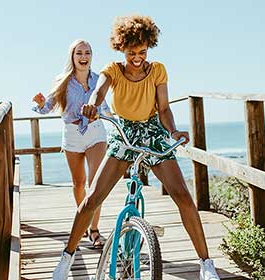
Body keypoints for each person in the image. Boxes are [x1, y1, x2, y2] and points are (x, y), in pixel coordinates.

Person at [52, 15, 220, 280]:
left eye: (142, 51)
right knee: (92, 198)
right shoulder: (113, 70)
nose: (137, 57)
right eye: (132, 52)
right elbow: (99, 92)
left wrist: (173, 131)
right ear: (122, 48)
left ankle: (206, 265)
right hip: (124, 132)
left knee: (183, 196)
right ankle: (67, 257)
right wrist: (93, 107)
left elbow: (163, 109)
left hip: (152, 130)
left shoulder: (157, 70)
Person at [31, 39, 111, 249]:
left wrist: (120, 120)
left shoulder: (99, 79)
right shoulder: (63, 81)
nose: (84, 57)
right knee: (79, 184)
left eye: (87, 52)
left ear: (91, 56)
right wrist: (40, 104)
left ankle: (94, 230)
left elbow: (106, 108)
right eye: (79, 53)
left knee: (96, 184)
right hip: (72, 135)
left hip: (96, 133)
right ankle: (83, 220)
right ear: (72, 57)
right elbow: (47, 107)